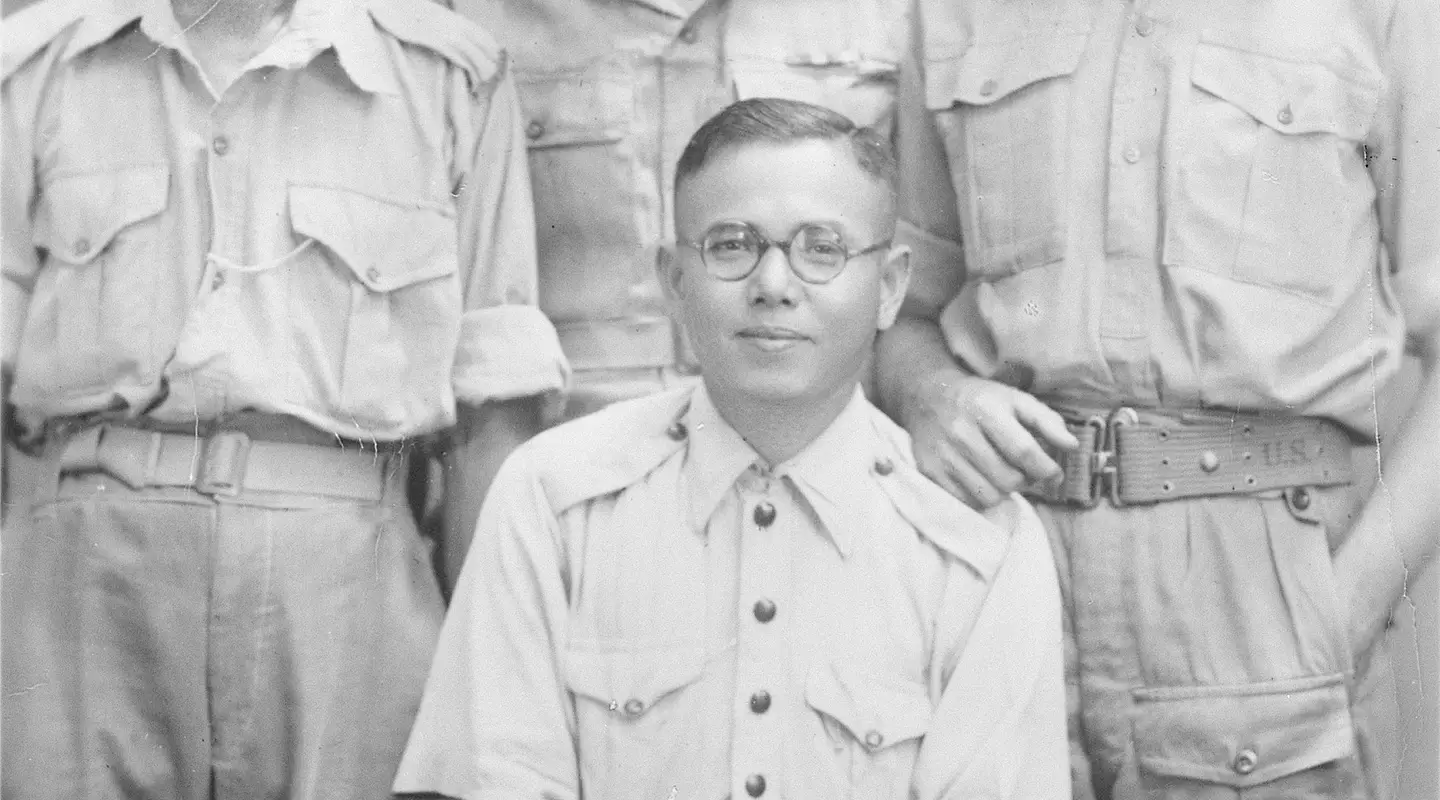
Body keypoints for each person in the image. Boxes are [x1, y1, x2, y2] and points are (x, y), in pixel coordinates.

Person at [392, 98, 1069, 800]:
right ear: (675, 284)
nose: (773, 287)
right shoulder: (552, 500)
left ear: (890, 287)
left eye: (822, 249)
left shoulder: (979, 549)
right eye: (731, 246)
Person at [0, 0, 568, 796]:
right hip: (86, 580)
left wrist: (489, 676)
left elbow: (493, 405)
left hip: (350, 580)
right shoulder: (37, 66)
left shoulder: (446, 76)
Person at [878, 1, 1440, 798]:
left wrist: (1339, 617)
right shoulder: (953, 12)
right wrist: (931, 393)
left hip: (1260, 599)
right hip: (1009, 577)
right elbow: (899, 307)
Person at [453, 0, 910, 424]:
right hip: (577, 453)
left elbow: (917, 279)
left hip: (817, 444)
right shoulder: (476, 14)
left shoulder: (891, 13)